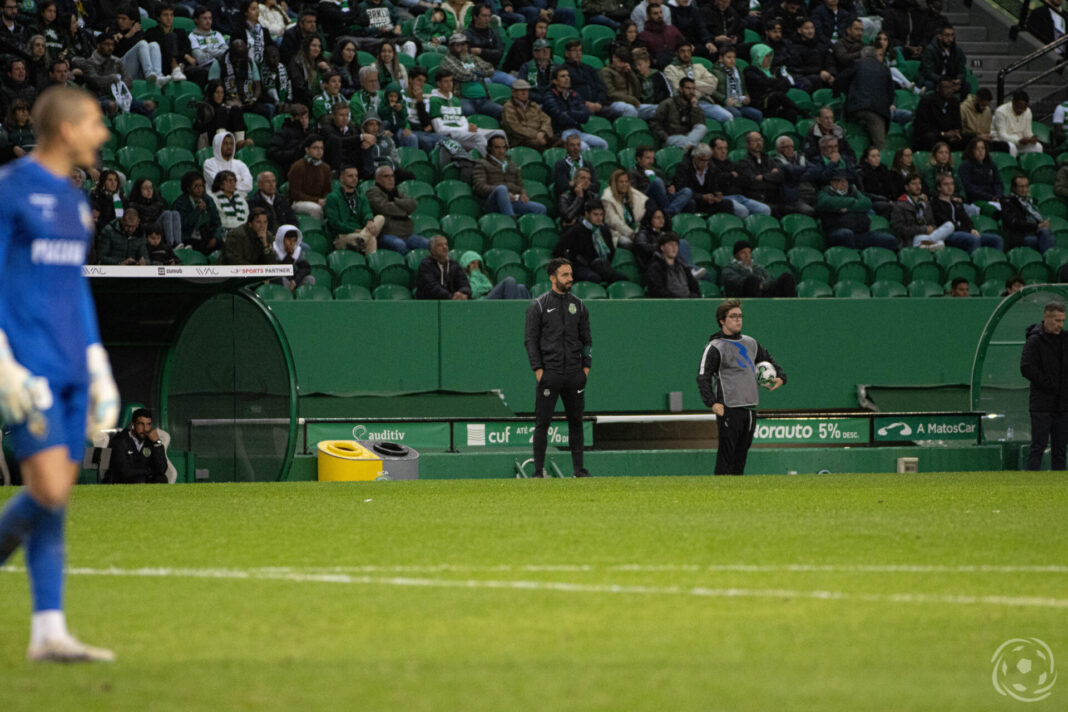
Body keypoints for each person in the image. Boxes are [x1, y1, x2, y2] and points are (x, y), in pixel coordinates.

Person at [0, 85, 118, 662]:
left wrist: (98, 366)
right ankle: (48, 629)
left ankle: (49, 631)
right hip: (30, 366)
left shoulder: (75, 203)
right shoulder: (10, 190)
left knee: (56, 499)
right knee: (46, 489)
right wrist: (3, 363)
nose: (103, 133)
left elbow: (75, 288)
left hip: (73, 364)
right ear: (67, 130)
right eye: (95, 122)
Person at [697, 299, 785, 475]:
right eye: (733, 316)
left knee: (741, 455)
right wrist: (712, 403)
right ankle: (720, 492)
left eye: (740, 316)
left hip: (750, 407)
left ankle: (737, 493)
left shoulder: (750, 342)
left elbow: (768, 360)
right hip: (729, 407)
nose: (738, 320)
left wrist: (781, 377)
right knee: (726, 456)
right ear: (722, 320)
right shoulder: (715, 347)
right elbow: (703, 377)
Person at [524, 257, 592, 478]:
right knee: (542, 423)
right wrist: (539, 370)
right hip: (550, 374)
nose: (570, 279)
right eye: (564, 275)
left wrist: (585, 370)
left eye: (571, 274)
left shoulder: (579, 305)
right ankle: (537, 471)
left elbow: (587, 340)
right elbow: (530, 340)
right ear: (552, 278)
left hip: (575, 375)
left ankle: (579, 470)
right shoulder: (539, 305)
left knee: (576, 422)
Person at [1021, 302, 1068, 470]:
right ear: (1045, 318)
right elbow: (1026, 367)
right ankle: (1032, 482)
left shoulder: (1065, 339)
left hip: (1062, 404)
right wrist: (1049, 385)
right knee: (1038, 446)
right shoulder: (1034, 341)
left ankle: (1059, 485)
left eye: (1062, 320)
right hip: (1042, 403)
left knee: (1061, 449)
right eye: (1056, 320)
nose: (1060, 325)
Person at [552, 198, 628, 284]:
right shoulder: (576, 231)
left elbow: (611, 251)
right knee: (594, 278)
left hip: (601, 266)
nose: (599, 218)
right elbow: (558, 250)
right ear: (587, 214)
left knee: (622, 279)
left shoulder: (604, 231)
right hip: (581, 267)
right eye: (595, 214)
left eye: (601, 215)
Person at [818, 169, 897, 249]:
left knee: (889, 240)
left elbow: (866, 203)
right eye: (840, 181)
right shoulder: (825, 193)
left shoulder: (853, 191)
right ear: (832, 183)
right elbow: (827, 203)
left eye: (846, 181)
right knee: (846, 234)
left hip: (860, 232)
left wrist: (848, 208)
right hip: (837, 231)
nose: (844, 184)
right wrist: (852, 201)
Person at [833, 46, 894, 149]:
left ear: (862, 55)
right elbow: (891, 94)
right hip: (877, 111)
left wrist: (840, 94)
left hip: (855, 107)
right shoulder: (884, 69)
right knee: (880, 145)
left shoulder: (857, 64)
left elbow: (840, 80)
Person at [472, 134, 547, 218]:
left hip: (512, 201)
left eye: (504, 147)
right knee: (501, 189)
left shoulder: (512, 165)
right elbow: (480, 187)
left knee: (541, 208)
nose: (501, 151)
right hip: (492, 202)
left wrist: (523, 194)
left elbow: (521, 186)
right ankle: (511, 220)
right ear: (490, 149)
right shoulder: (482, 164)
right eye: (497, 148)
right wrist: (504, 194)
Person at [930, 174, 1004, 252]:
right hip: (948, 235)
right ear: (939, 187)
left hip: (964, 232)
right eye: (946, 184)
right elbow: (945, 222)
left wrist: (972, 229)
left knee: (997, 240)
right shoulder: (935, 204)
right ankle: (974, 262)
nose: (950, 187)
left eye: (952, 183)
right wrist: (968, 231)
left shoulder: (956, 203)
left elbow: (966, 219)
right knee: (973, 239)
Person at [366, 164, 429, 254]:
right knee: (399, 245)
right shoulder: (373, 192)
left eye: (392, 176)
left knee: (428, 244)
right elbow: (384, 208)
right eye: (386, 176)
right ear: (377, 179)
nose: (390, 179)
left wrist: (396, 201)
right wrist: (405, 211)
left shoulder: (396, 192)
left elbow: (413, 204)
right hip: (386, 233)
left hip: (406, 233)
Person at [325, 164, 383, 253]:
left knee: (380, 218)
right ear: (341, 178)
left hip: (362, 233)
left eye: (356, 176)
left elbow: (367, 212)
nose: (354, 178)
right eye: (350, 176)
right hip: (343, 236)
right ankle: (362, 238)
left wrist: (369, 221)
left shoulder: (361, 197)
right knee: (371, 239)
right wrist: (355, 230)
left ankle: (362, 239)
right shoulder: (332, 198)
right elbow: (335, 223)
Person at [102, 408, 168, 485]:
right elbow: (124, 471)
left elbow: (162, 468)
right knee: (139, 480)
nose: (145, 429)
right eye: (141, 424)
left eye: (148, 424)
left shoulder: (151, 441)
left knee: (161, 479)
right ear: (133, 425)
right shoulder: (120, 440)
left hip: (143, 480)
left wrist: (157, 443)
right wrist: (150, 471)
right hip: (121, 482)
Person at [628, 144, 693, 217]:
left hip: (663, 199)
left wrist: (670, 189)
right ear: (638, 159)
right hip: (647, 199)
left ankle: (668, 213)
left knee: (687, 192)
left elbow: (665, 188)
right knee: (657, 181)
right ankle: (668, 214)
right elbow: (633, 193)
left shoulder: (658, 172)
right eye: (648, 158)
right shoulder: (633, 173)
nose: (651, 161)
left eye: (652, 158)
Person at [720, 239, 797, 297]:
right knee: (752, 279)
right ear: (736, 255)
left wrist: (762, 285)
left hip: (764, 292)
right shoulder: (729, 268)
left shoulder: (757, 267)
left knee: (786, 277)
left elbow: (770, 278)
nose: (747, 256)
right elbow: (737, 282)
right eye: (743, 253)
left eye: (749, 252)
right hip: (743, 297)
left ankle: (793, 306)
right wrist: (752, 276)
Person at [174, 170, 225, 253]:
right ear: (188, 188)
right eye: (195, 186)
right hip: (190, 237)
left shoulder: (208, 200)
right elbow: (184, 225)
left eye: (201, 186)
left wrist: (215, 238)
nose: (199, 189)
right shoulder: (181, 203)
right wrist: (197, 210)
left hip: (208, 235)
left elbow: (217, 223)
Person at [708, 44, 762, 123]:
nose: (732, 60)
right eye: (729, 57)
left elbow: (743, 87)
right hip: (723, 104)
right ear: (721, 58)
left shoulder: (737, 70)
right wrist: (724, 100)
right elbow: (711, 91)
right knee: (737, 114)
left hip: (738, 103)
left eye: (734, 57)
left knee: (757, 114)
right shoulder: (714, 72)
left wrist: (746, 96)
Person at [650, 76, 707, 148]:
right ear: (680, 89)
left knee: (702, 128)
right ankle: (689, 146)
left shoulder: (694, 105)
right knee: (684, 140)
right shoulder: (667, 103)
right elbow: (655, 122)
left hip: (688, 136)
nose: (691, 92)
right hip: (672, 137)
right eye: (688, 88)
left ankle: (688, 146)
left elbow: (700, 122)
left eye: (693, 89)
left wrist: (694, 108)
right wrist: (665, 137)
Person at [1002, 175, 1055, 252]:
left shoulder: (1030, 201)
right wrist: (1037, 226)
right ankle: (1050, 259)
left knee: (1046, 231)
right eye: (1021, 187)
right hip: (1020, 235)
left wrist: (1043, 224)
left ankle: (1049, 258)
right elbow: (1015, 223)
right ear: (1014, 188)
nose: (1024, 189)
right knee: (1044, 237)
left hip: (1034, 231)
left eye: (1026, 186)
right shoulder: (1008, 202)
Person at [914, 76, 966, 152]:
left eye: (951, 87)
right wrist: (943, 134)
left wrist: (956, 132)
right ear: (938, 88)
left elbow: (957, 124)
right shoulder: (927, 101)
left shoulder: (954, 101)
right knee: (930, 137)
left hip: (947, 136)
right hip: (930, 135)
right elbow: (922, 127)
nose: (949, 90)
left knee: (967, 138)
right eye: (946, 87)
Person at [501, 78, 555, 150]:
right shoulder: (509, 107)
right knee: (538, 145)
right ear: (514, 92)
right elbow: (515, 128)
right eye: (521, 90)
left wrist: (542, 132)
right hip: (520, 140)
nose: (524, 93)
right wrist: (536, 135)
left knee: (562, 142)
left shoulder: (534, 105)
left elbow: (546, 119)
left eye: (526, 90)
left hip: (540, 135)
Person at [287, 134, 332, 220]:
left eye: (321, 148)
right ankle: (316, 231)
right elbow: (295, 194)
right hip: (299, 202)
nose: (319, 151)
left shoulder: (325, 168)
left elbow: (327, 190)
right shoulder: (298, 166)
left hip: (319, 201)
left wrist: (327, 200)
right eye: (315, 148)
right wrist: (317, 201)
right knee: (315, 209)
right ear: (307, 150)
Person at [600, 48, 651, 120]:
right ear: (614, 58)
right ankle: (630, 129)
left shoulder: (626, 71)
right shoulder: (606, 71)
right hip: (614, 103)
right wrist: (632, 100)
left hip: (631, 102)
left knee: (658, 109)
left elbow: (637, 91)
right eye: (620, 61)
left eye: (625, 62)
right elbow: (611, 94)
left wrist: (631, 73)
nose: (622, 65)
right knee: (629, 109)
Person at [601, 168, 647, 248]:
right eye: (621, 182)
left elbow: (643, 207)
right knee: (628, 243)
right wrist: (631, 234)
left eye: (626, 181)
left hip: (634, 228)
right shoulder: (607, 198)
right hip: (618, 232)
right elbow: (614, 222)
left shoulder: (631, 193)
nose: (624, 184)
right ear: (614, 183)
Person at [645, 232, 699, 298]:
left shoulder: (683, 267)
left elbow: (694, 287)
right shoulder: (655, 268)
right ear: (662, 247)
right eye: (671, 244)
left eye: (676, 245)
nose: (674, 248)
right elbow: (658, 292)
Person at [416, 234, 470, 299]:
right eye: (439, 245)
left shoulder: (454, 265)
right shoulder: (425, 265)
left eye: (446, 244)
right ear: (432, 249)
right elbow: (431, 287)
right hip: (430, 304)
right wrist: (450, 297)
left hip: (453, 302)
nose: (445, 247)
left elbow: (464, 283)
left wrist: (463, 293)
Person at [460, 250, 531, 300]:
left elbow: (489, 287)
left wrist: (482, 287)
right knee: (509, 281)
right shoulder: (462, 278)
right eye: (472, 263)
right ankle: (512, 313)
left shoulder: (482, 275)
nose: (475, 266)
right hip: (479, 305)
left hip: (490, 300)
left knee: (521, 288)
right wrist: (474, 274)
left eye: (477, 263)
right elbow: (472, 293)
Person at [993, 91, 1044, 158]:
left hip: (1019, 142)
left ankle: (1031, 167)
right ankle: (1012, 167)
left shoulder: (1028, 112)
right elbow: (1002, 135)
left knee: (1038, 146)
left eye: (1024, 108)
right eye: (1019, 107)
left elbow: (1028, 132)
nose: (1021, 111)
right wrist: (1018, 141)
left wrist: (1031, 139)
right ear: (1013, 102)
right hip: (1000, 142)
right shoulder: (1001, 112)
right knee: (1012, 147)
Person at [958, 137, 1004, 211]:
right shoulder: (966, 165)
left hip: (993, 198)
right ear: (972, 151)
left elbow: (998, 183)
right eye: (977, 148)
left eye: (983, 148)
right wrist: (990, 197)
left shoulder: (991, 164)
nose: (980, 151)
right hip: (976, 199)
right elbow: (969, 188)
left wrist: (998, 196)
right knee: (995, 209)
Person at [918, 23, 965, 94]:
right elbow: (928, 72)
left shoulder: (957, 51)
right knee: (929, 84)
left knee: (965, 86)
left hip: (950, 79)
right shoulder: (930, 50)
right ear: (939, 36)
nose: (950, 39)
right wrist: (942, 80)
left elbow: (962, 69)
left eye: (952, 35)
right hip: (935, 80)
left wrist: (959, 79)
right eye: (947, 35)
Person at [203, 131, 254, 196]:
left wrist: (227, 184)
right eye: (226, 144)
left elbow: (249, 185)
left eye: (231, 144)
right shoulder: (209, 163)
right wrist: (239, 179)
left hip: (239, 200)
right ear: (218, 145)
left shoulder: (239, 164)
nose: (229, 147)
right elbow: (217, 183)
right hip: (216, 200)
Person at [552, 133, 600, 197]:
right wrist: (585, 184)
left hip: (587, 196)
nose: (576, 148)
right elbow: (562, 186)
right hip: (569, 197)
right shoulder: (560, 164)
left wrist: (574, 183)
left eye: (578, 145)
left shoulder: (588, 164)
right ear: (566, 146)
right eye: (572, 145)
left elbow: (596, 185)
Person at [859, 145, 897, 217]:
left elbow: (891, 188)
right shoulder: (861, 172)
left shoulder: (884, 169)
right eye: (873, 156)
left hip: (886, 199)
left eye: (878, 156)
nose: (876, 158)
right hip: (872, 201)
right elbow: (864, 193)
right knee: (890, 206)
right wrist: (885, 199)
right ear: (866, 159)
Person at [272, 224, 314, 290]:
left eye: (294, 240)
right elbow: (280, 271)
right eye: (289, 240)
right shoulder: (273, 250)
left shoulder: (296, 250)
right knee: (283, 279)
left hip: (292, 280)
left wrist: (294, 281)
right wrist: (290, 256)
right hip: (277, 280)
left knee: (310, 279)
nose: (292, 243)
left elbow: (305, 268)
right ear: (281, 238)